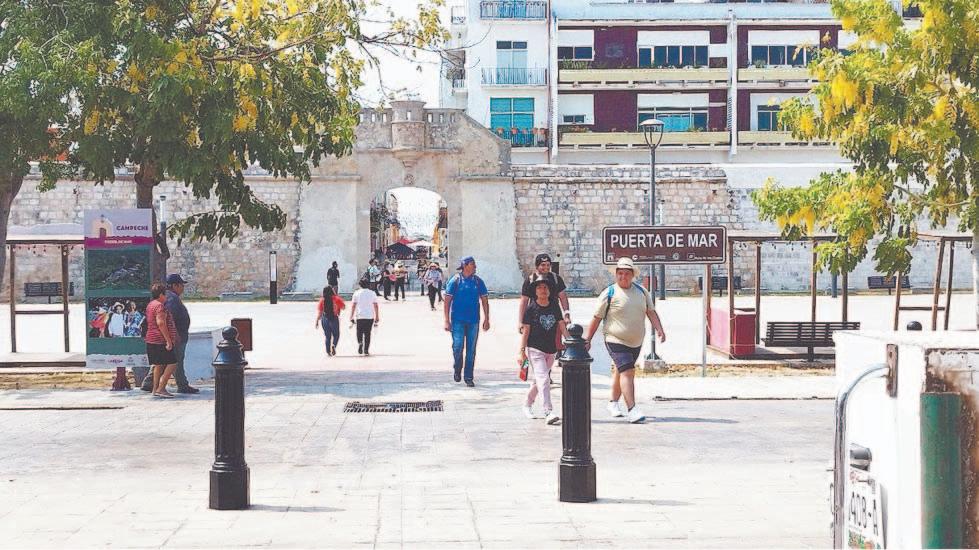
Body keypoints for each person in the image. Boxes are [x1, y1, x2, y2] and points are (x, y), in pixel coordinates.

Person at [584, 258, 666, 424]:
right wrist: (588, 339)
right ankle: (632, 409)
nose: (623, 276)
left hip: (636, 341)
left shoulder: (642, 292)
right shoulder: (609, 293)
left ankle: (613, 402)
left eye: (626, 273)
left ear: (632, 275)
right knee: (628, 371)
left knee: (621, 371)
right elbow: (597, 317)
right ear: (616, 274)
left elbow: (651, 312)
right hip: (615, 339)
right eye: (620, 273)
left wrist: (659, 329)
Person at [518, 278, 568, 425]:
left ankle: (527, 404)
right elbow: (526, 331)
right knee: (544, 379)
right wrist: (522, 351)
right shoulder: (531, 309)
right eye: (539, 288)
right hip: (535, 349)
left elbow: (561, 325)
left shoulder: (554, 306)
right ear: (535, 291)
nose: (543, 290)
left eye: (545, 287)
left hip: (551, 350)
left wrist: (570, 342)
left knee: (539, 380)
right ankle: (548, 411)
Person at [142, 274, 198, 394]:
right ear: (175, 285)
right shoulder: (171, 298)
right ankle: (179, 385)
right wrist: (173, 336)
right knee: (174, 361)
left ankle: (150, 384)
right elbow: (167, 319)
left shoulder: (166, 298)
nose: (183, 288)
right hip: (174, 336)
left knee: (163, 361)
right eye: (181, 285)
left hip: (169, 336)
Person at [444, 256, 489, 387]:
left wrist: (487, 318)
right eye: (473, 264)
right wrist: (446, 320)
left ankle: (468, 376)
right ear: (465, 265)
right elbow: (447, 301)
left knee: (471, 350)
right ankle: (457, 367)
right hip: (457, 320)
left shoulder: (478, 282)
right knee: (457, 347)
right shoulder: (455, 281)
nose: (475, 267)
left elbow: (484, 300)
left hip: (473, 321)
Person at [518, 254, 570, 348]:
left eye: (548, 265)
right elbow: (524, 301)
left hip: (554, 313)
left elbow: (563, 297)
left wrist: (566, 314)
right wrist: (520, 322)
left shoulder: (556, 278)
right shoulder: (530, 280)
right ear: (537, 266)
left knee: (557, 340)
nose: (546, 267)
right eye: (543, 265)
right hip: (535, 314)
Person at [145, 283, 179, 398]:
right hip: (160, 340)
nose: (166, 297)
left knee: (159, 365)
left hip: (151, 339)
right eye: (165, 295)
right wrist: (168, 340)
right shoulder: (160, 306)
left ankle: (155, 389)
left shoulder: (151, 305)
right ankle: (161, 387)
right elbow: (161, 323)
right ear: (161, 295)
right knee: (173, 363)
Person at [350, 278, 380, 355]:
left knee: (359, 331)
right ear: (368, 284)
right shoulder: (372, 293)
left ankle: (360, 342)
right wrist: (377, 316)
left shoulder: (356, 293)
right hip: (369, 316)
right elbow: (376, 305)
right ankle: (366, 350)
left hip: (360, 316)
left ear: (360, 285)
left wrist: (351, 316)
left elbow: (353, 305)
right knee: (367, 333)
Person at [315, 286, 345, 356]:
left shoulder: (322, 300)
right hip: (334, 318)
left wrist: (317, 321)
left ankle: (328, 351)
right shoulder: (336, 299)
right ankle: (334, 345)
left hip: (325, 319)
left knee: (327, 336)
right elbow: (343, 307)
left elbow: (320, 313)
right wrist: (338, 307)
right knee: (336, 335)